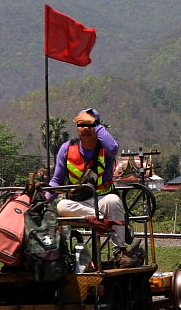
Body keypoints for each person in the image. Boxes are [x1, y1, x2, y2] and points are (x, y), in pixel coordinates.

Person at [47, 108, 142, 267]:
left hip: (103, 200)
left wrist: (95, 123)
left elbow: (113, 148)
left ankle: (120, 251)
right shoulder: (66, 149)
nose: (85, 128)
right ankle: (109, 220)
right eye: (81, 124)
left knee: (113, 200)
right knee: (62, 206)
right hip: (80, 204)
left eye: (89, 125)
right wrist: (46, 198)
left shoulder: (106, 149)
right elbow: (56, 180)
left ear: (97, 127)